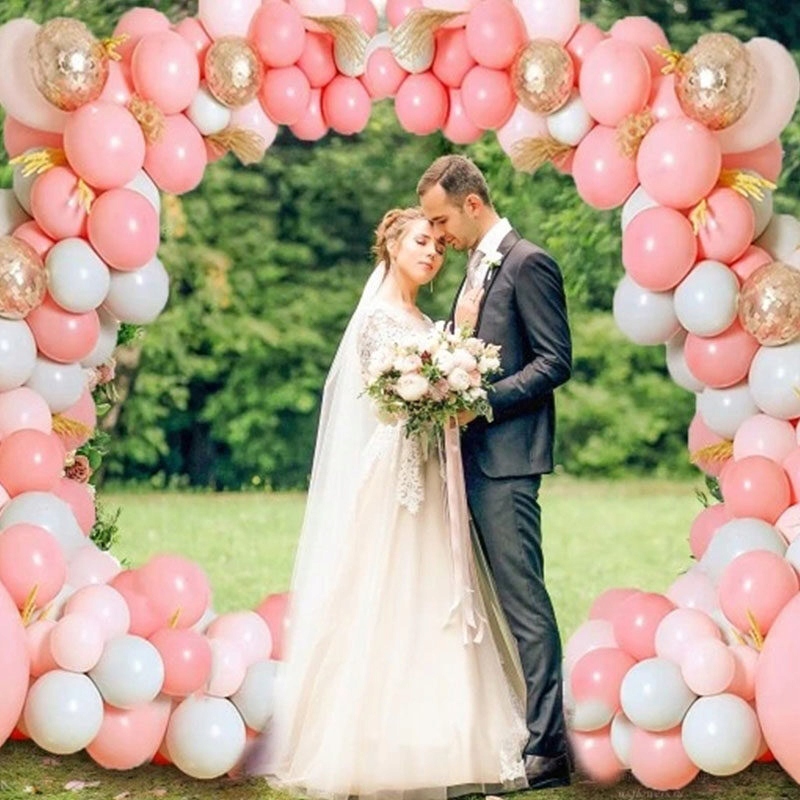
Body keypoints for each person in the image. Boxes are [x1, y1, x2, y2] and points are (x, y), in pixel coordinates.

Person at [246, 207, 531, 798]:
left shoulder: (429, 322)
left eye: (439, 247)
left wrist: (454, 380)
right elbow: (386, 403)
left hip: (436, 467)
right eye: (421, 242)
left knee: (442, 590)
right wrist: (434, 391)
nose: (431, 253)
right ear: (393, 247)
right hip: (397, 471)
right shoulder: (376, 319)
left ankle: (451, 735)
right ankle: (374, 741)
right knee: (388, 589)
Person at [418, 155, 573, 791]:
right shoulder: (475, 269)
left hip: (507, 463)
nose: (438, 234)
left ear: (472, 203)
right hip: (469, 461)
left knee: (523, 601)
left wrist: (481, 401)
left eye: (440, 220)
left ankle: (549, 749)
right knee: (487, 602)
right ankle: (508, 728)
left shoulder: (528, 263)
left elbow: (555, 361)